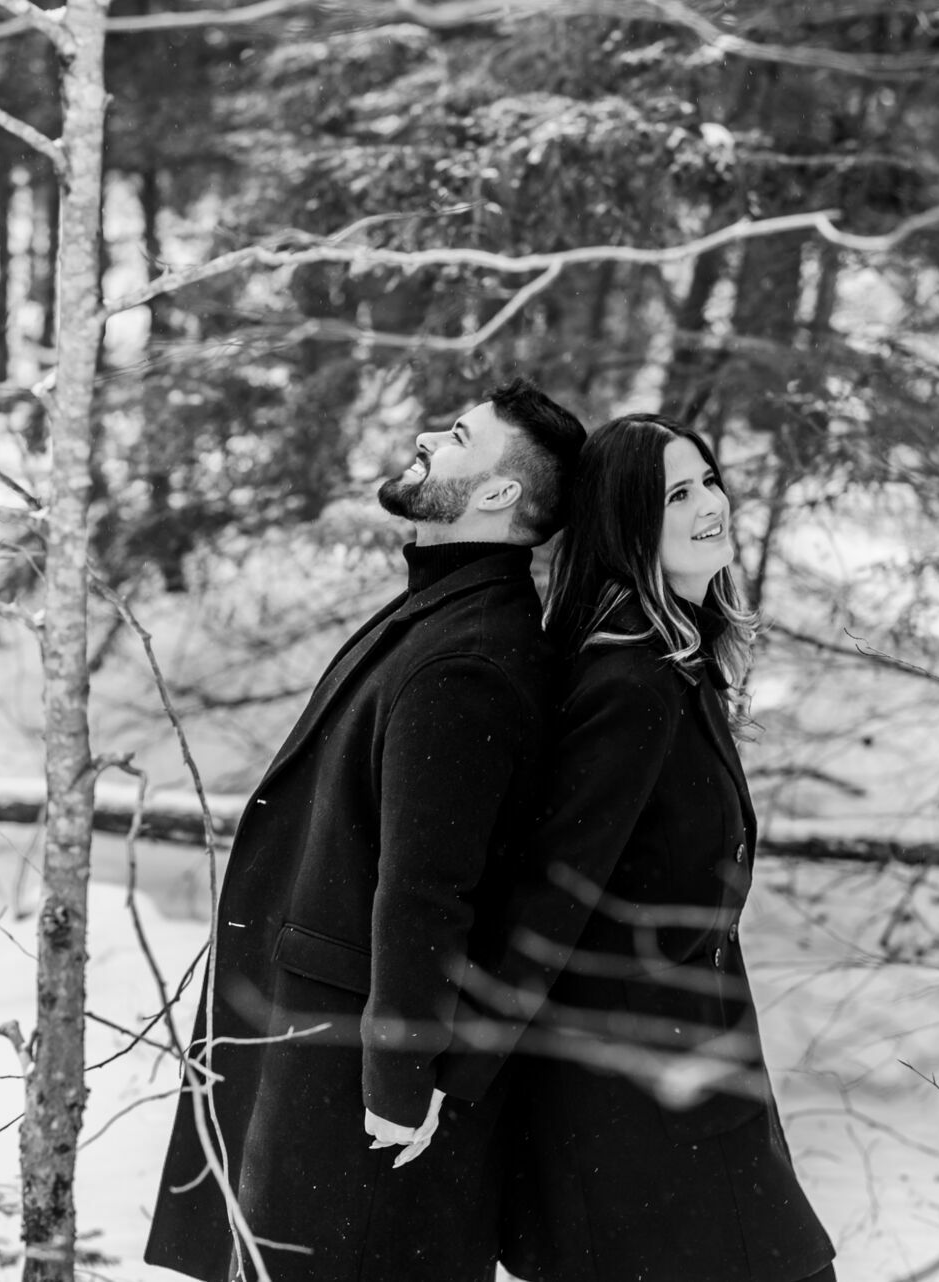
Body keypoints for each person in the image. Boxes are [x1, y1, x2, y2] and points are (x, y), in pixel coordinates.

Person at [144, 378, 586, 1282]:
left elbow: (429, 890)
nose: (427, 437)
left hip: (352, 1087)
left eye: (457, 437)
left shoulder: (469, 659)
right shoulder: (439, 614)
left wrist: (399, 1080)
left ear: (500, 492)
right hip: (314, 1047)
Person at [455, 413, 835, 1282]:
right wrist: (455, 1074)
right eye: (677, 495)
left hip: (694, 1077)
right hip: (633, 1101)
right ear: (627, 525)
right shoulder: (630, 680)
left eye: (708, 481)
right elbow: (553, 891)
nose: (711, 504)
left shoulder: (676, 663)